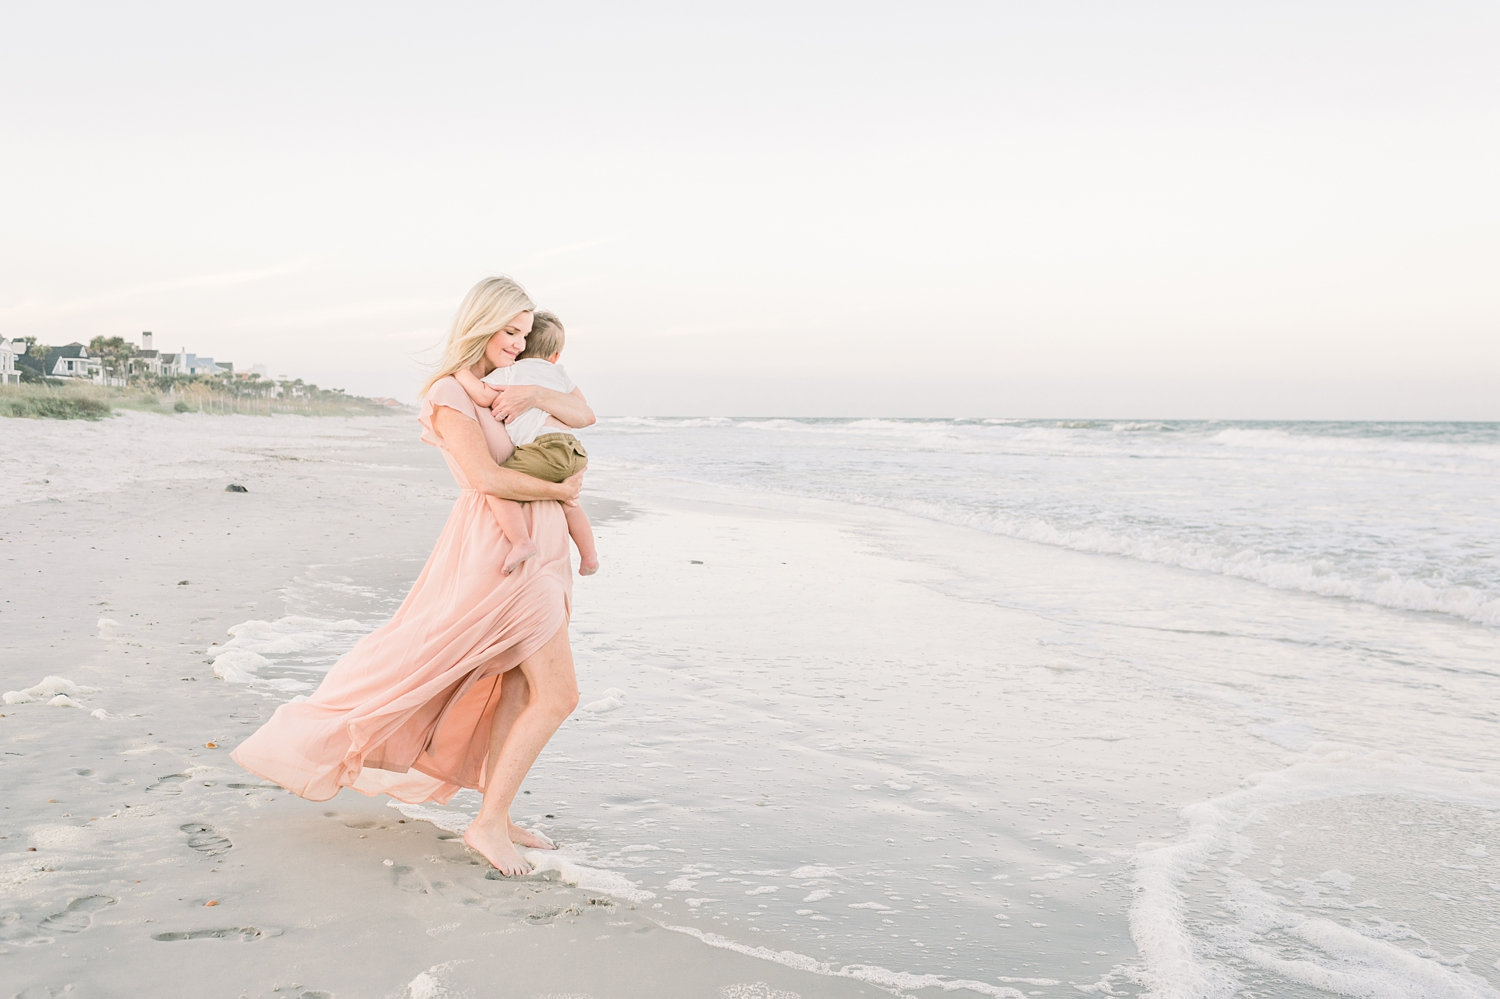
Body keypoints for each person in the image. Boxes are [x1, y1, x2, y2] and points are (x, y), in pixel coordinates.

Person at [231, 276, 594, 877]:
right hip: (502, 550)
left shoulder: (510, 387)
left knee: (521, 689)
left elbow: (581, 414)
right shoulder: (450, 393)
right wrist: (561, 488)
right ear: (481, 324)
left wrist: (536, 396)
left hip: (542, 547)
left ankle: (495, 817)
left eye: (525, 334)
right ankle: (485, 824)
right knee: (558, 693)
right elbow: (484, 479)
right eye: (508, 331)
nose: (517, 343)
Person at [454, 311, 599, 577]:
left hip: (542, 448)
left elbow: (484, 395)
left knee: (499, 486)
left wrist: (460, 373)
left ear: (520, 350)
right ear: (555, 356)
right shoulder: (560, 374)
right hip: (573, 449)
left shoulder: (511, 371)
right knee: (572, 504)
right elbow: (584, 409)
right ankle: (589, 557)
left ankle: (521, 542)